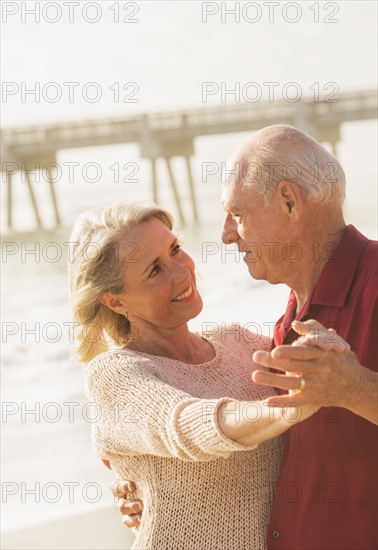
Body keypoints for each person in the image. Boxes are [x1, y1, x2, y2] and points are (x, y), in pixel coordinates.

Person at [116, 125, 378, 550]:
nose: (226, 233)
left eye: (237, 213)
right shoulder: (284, 326)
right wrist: (157, 488)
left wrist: (356, 387)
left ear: (290, 203)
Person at [70, 200, 343, 550]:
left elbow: (323, 363)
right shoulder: (115, 375)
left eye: (175, 250)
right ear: (115, 302)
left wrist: (328, 343)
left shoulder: (238, 342)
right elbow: (185, 426)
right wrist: (291, 407)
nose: (182, 273)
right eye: (154, 270)